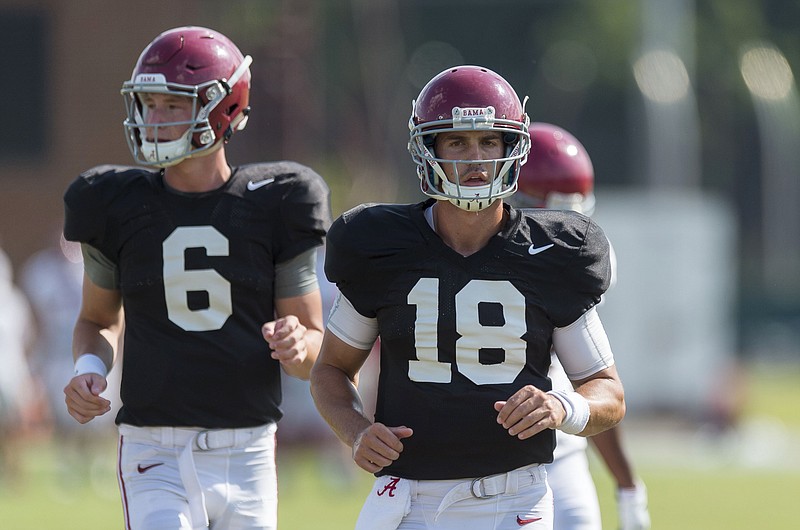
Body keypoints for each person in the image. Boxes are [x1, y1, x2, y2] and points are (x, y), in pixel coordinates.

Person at [310, 65, 626, 530]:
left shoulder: (552, 253)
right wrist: (356, 433)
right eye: (456, 142)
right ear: (429, 150)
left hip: (514, 497)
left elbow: (608, 392)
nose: (475, 159)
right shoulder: (381, 246)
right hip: (406, 497)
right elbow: (331, 371)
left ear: (511, 148)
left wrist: (563, 406)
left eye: (488, 142)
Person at [62, 26, 331, 530]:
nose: (154, 120)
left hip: (248, 449)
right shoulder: (113, 203)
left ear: (223, 110)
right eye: (150, 104)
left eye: (171, 106)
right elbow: (97, 319)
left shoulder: (279, 200)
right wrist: (86, 366)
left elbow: (312, 349)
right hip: (153, 448)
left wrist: (298, 346)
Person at [509, 122, 650, 530]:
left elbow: (591, 381)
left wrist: (627, 485)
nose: (563, 238)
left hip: (560, 447)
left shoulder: (583, 262)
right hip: (473, 460)